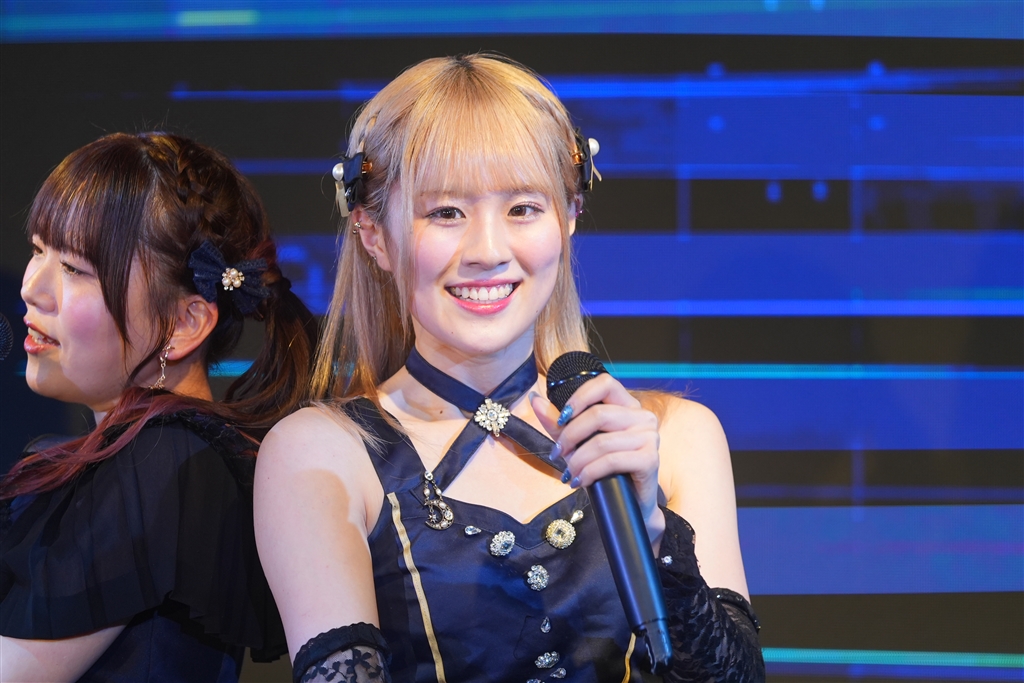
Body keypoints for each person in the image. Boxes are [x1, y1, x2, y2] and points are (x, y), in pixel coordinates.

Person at [255, 54, 764, 683]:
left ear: (569, 216)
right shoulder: (323, 454)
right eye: (445, 212)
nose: (489, 251)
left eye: (523, 208)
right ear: (373, 234)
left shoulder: (676, 437)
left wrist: (654, 531)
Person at [0, 132, 317, 682]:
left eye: (74, 268)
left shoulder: (164, 459)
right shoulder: (154, 456)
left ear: (185, 323)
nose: (33, 288)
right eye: (37, 250)